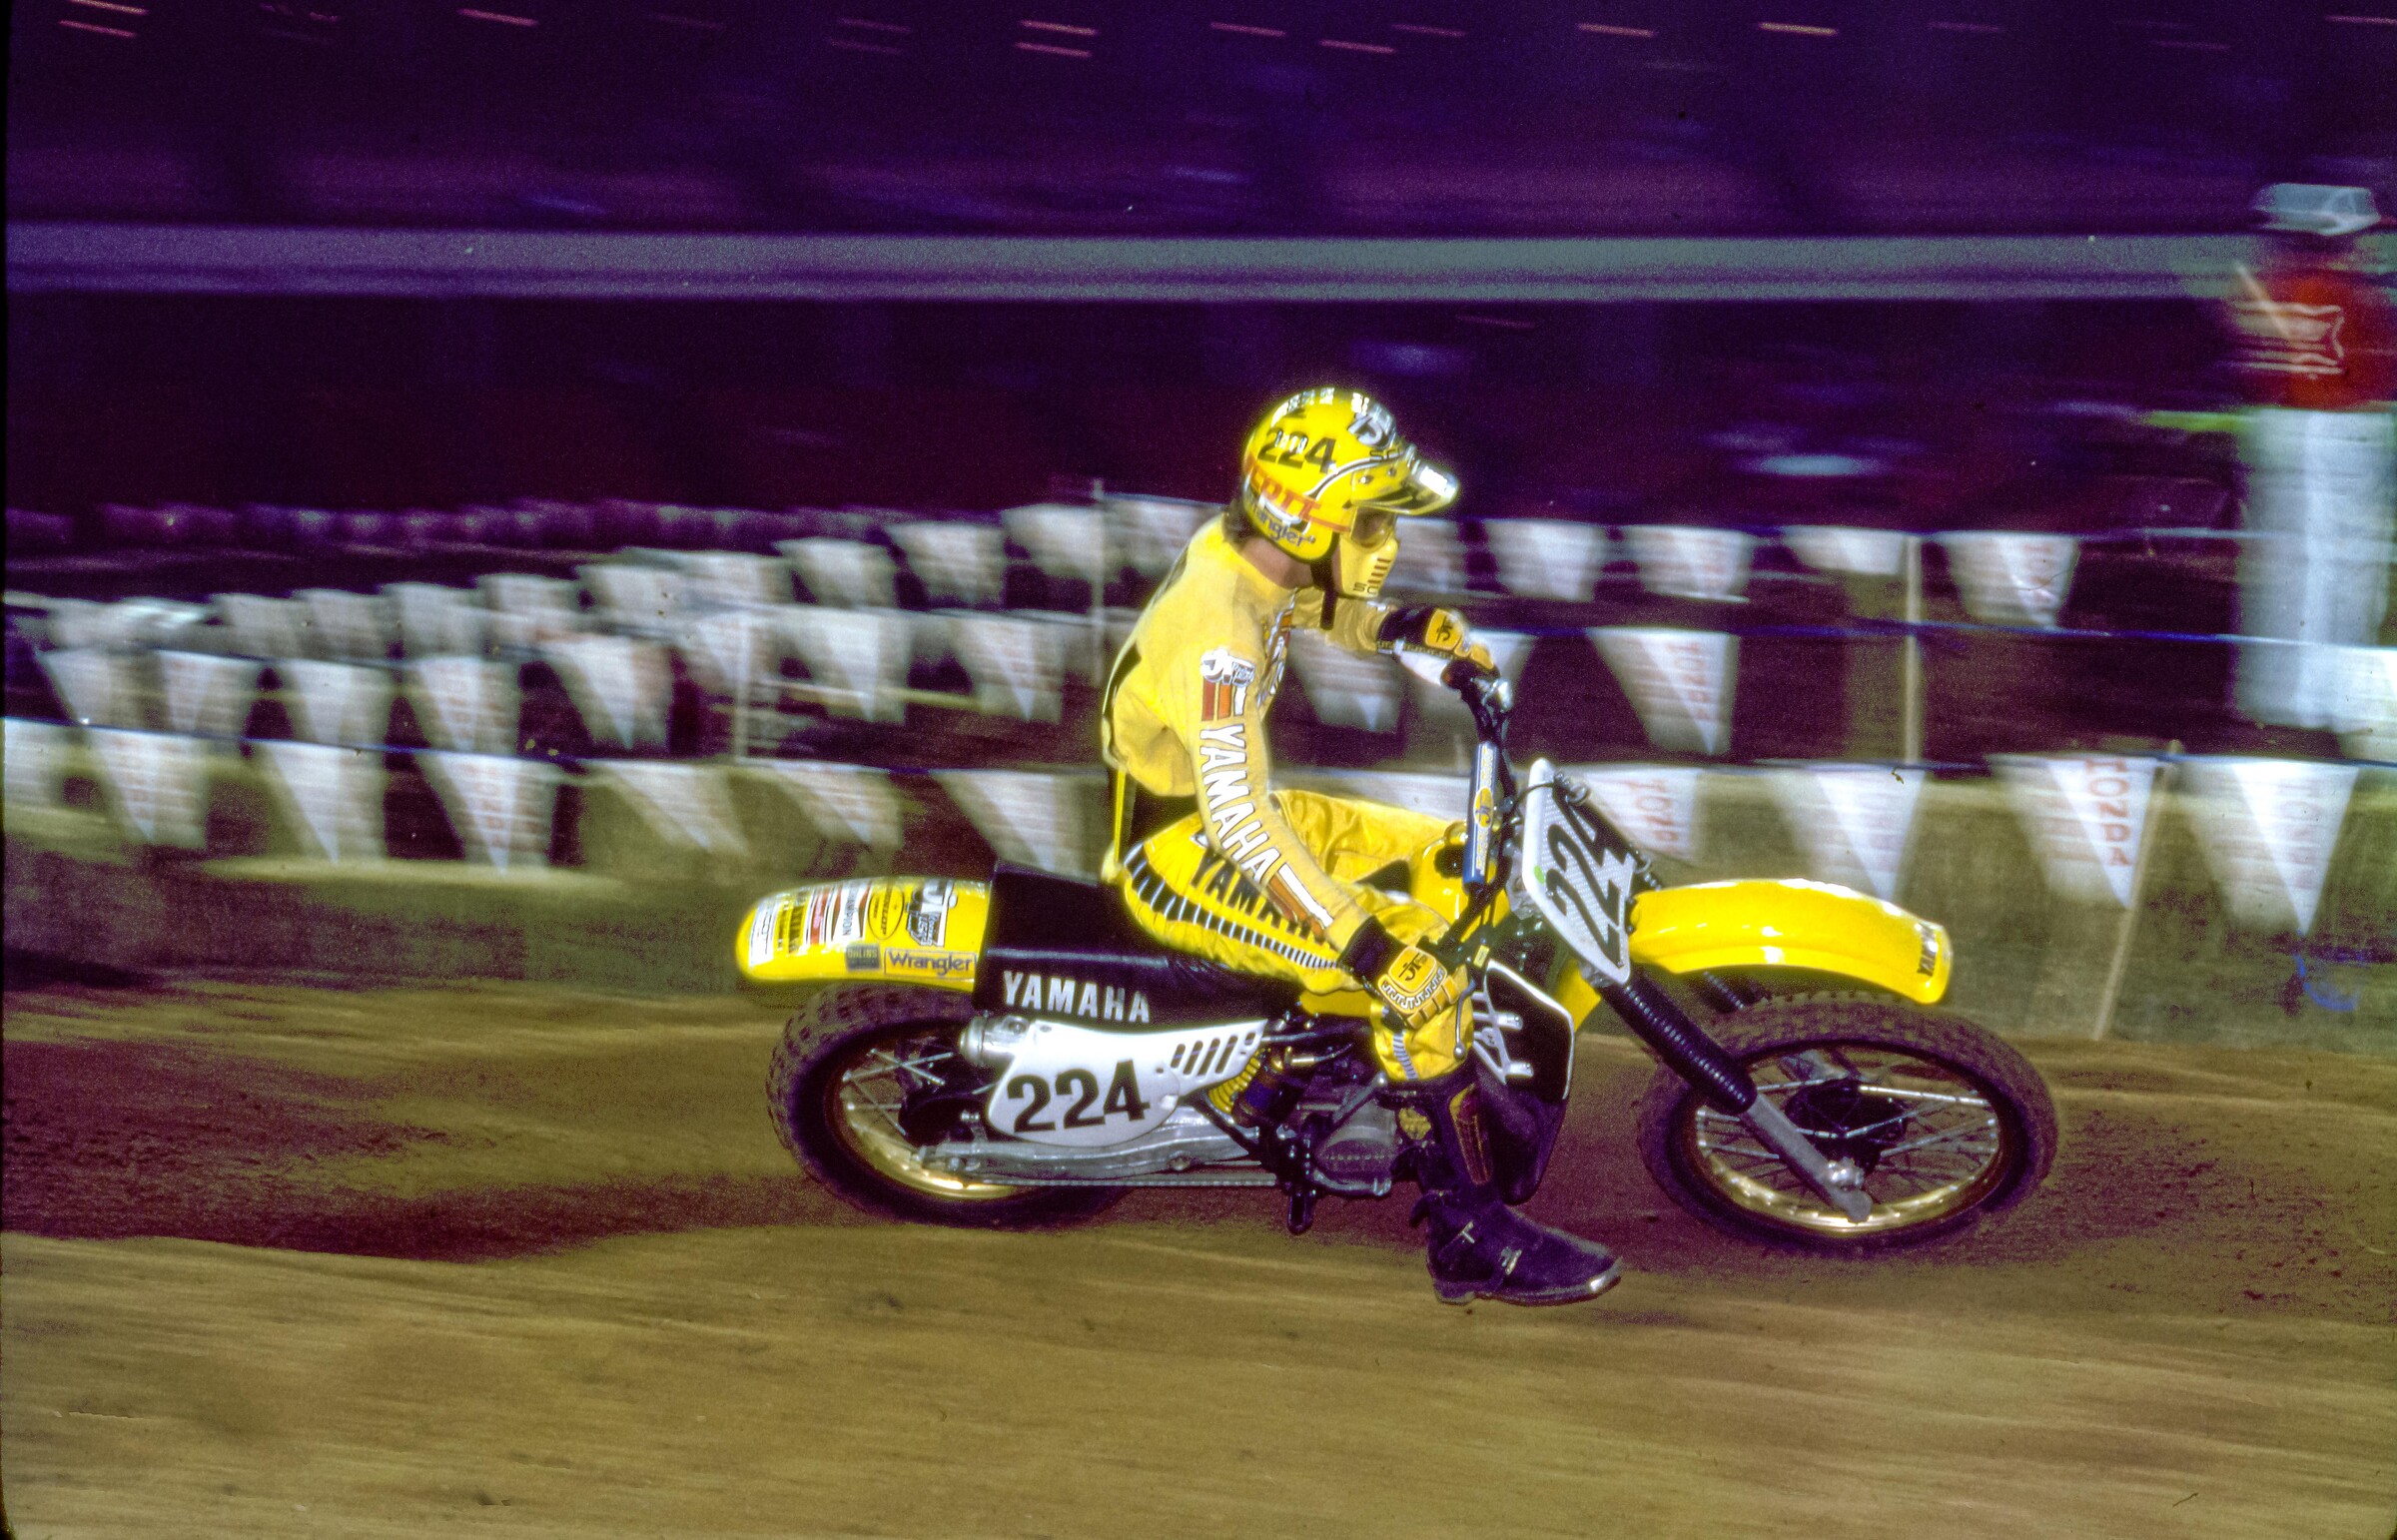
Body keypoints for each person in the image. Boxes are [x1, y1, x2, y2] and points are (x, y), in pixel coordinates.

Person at [1099, 386, 1620, 1306]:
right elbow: (1240, 825)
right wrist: (1371, 948)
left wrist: (1401, 629)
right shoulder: (1216, 639)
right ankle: (1468, 1236)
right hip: (1182, 858)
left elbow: (1308, 606)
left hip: (1228, 820)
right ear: (1310, 521)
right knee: (1419, 979)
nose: (1389, 545)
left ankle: (1311, 1071)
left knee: (1455, 853)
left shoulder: (1248, 557)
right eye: (1374, 524)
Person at [2221, 184, 2395, 733]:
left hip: (2283, 429)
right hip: (2332, 431)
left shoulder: (2261, 287)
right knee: (2332, 573)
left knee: (2288, 571)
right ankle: (2316, 712)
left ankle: (2283, 703)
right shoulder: (2340, 289)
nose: (2363, 247)